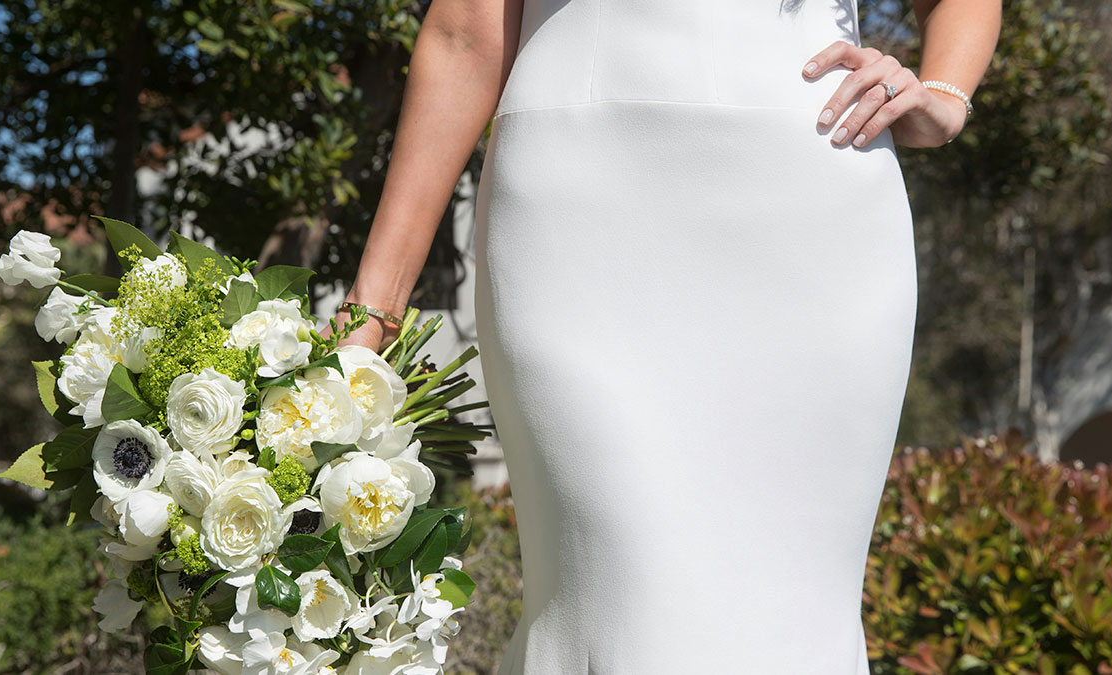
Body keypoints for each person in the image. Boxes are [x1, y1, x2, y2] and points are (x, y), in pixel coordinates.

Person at [335, 0, 999, 672]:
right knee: (618, 593)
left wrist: (945, 93)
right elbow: (462, 32)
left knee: (790, 615)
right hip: (580, 201)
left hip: (815, 194)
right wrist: (374, 309)